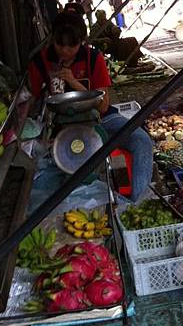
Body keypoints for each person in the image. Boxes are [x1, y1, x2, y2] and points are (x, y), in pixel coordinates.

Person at [28, 12, 153, 202]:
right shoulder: (41, 61)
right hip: (60, 127)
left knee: (141, 140)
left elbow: (103, 106)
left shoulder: (93, 58)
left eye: (72, 45)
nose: (65, 51)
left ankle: (136, 203)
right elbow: (33, 101)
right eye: (60, 44)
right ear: (52, 39)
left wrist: (72, 80)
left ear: (82, 41)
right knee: (55, 169)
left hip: (102, 120)